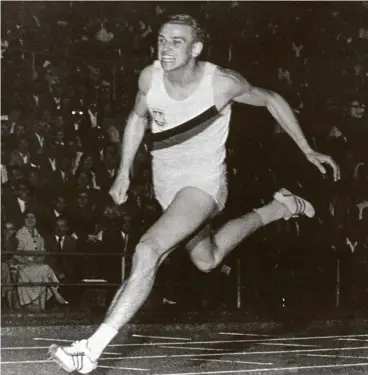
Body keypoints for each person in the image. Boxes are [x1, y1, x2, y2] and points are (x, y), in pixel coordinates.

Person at [49, 14, 340, 373]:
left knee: (148, 249)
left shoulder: (221, 83)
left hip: (203, 185)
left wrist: (307, 150)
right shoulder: (150, 77)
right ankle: (279, 208)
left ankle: (91, 349)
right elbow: (138, 117)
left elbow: (271, 99)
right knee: (207, 258)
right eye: (162, 39)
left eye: (177, 42)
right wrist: (124, 170)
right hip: (166, 186)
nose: (165, 48)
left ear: (196, 48)